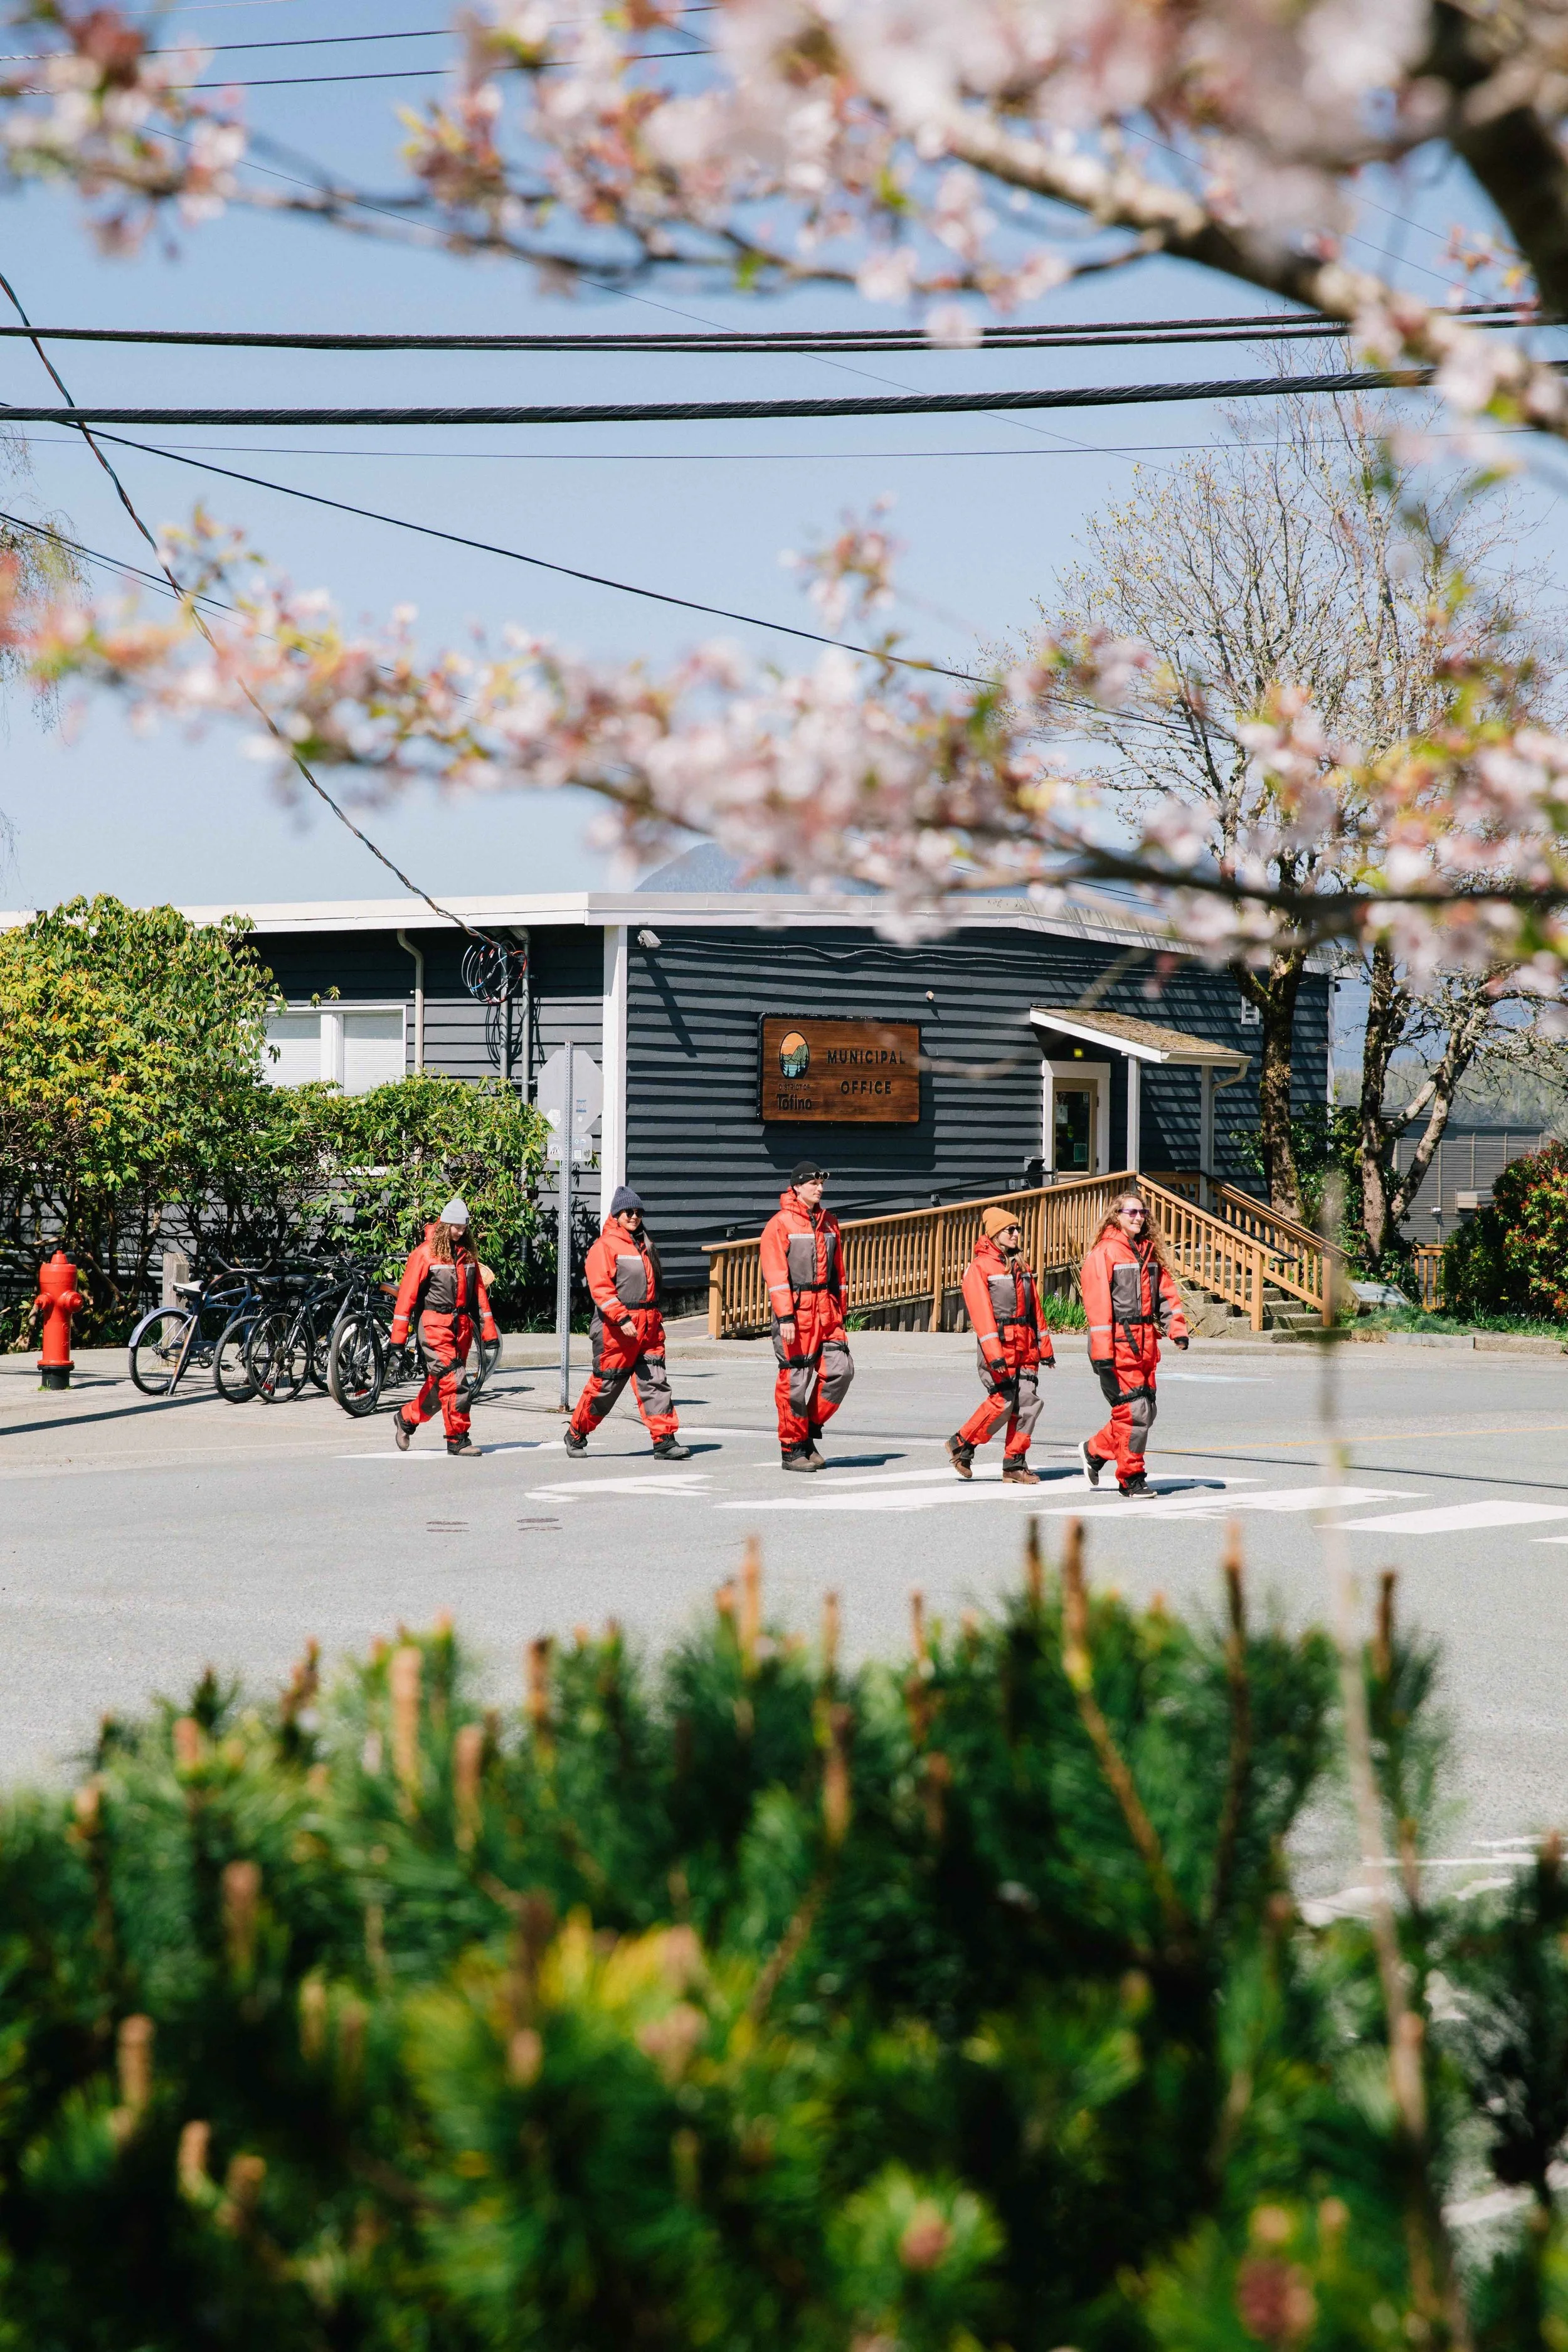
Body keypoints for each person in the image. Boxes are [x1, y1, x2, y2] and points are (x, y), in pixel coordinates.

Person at [563, 1185, 692, 1460]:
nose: (634, 1217)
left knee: (655, 1383)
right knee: (606, 1386)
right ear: (617, 1214)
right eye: (628, 1212)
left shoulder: (646, 1244)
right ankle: (576, 1432)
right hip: (616, 1330)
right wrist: (621, 1317)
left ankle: (665, 1441)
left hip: (649, 1327)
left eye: (638, 1212)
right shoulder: (606, 1246)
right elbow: (601, 1288)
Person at [1078, 1189, 1189, 1498]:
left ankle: (1096, 1450)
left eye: (1142, 1213)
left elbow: (1166, 1295)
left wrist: (1176, 1330)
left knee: (1146, 1412)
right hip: (1116, 1347)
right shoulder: (1105, 1253)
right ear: (1117, 1216)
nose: (1139, 1217)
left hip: (1145, 1345)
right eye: (1132, 1212)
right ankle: (1131, 1477)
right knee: (1134, 1414)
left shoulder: (1148, 1252)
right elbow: (1097, 1307)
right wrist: (1102, 1353)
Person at [947, 1205, 1055, 1483]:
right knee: (1003, 1402)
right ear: (995, 1233)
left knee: (1028, 1405)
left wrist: (1046, 1349)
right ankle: (963, 1443)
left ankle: (1014, 1464)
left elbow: (1036, 1310)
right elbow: (982, 1316)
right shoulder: (980, 1267)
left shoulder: (1021, 1265)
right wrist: (994, 1354)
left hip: (1026, 1347)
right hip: (1000, 1348)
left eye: (1018, 1229)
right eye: (1011, 1229)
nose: (1017, 1234)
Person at [760, 1159, 854, 1472]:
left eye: (821, 1184)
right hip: (797, 1312)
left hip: (827, 1309)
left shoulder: (829, 1222)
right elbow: (775, 1275)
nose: (820, 1189)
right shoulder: (780, 1224)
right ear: (797, 1186)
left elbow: (839, 1271)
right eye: (813, 1184)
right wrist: (785, 1317)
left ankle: (809, 1429)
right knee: (795, 1382)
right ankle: (793, 1450)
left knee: (841, 1371)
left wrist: (841, 1308)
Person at [389, 1196, 500, 1459]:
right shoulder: (425, 1254)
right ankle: (458, 1439)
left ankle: (406, 1419)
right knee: (456, 1381)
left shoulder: (467, 1254)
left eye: (464, 1228)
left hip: (461, 1327)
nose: (460, 1232)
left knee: (442, 1386)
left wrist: (489, 1333)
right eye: (456, 1227)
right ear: (445, 1224)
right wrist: (398, 1341)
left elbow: (480, 1297)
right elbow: (406, 1299)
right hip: (434, 1325)